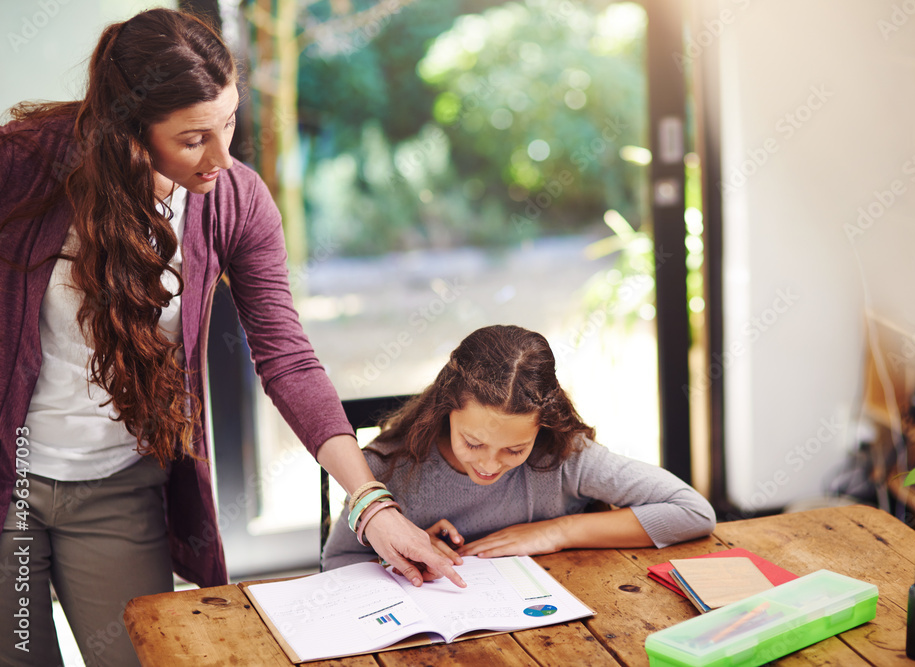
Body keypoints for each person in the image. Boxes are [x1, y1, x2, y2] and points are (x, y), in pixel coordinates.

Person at [0, 9, 461, 667]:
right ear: (130, 132)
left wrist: (372, 503)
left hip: (117, 483)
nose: (222, 158)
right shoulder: (22, 163)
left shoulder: (233, 200)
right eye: (193, 139)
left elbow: (287, 355)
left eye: (229, 124)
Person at [322, 324, 716, 571]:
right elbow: (336, 563)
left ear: (542, 427)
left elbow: (693, 512)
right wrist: (401, 552)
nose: (490, 465)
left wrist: (557, 531)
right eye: (473, 442)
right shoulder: (388, 470)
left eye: (514, 449)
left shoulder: (562, 456)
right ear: (446, 410)